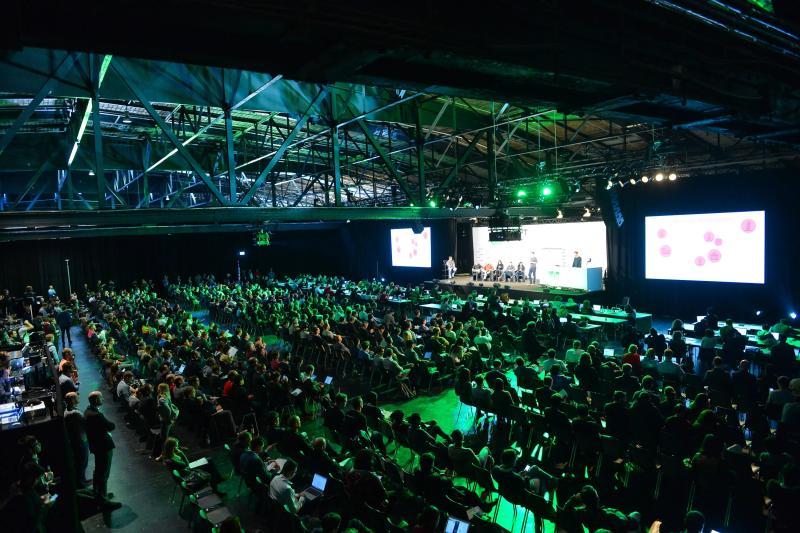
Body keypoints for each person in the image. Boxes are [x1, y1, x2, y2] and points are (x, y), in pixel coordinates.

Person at [84, 391, 122, 509]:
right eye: (101, 398)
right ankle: (104, 500)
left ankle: (98, 493)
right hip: (104, 446)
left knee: (98, 470)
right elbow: (110, 426)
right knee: (104, 473)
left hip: (96, 446)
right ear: (96, 400)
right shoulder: (97, 415)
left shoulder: (88, 411)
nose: (103, 399)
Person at [64, 391, 89, 487]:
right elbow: (86, 422)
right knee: (82, 462)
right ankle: (81, 483)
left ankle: (83, 480)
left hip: (76, 439)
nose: (78, 397)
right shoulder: (75, 413)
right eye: (76, 396)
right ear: (73, 400)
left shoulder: (69, 410)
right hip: (80, 440)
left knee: (81, 462)